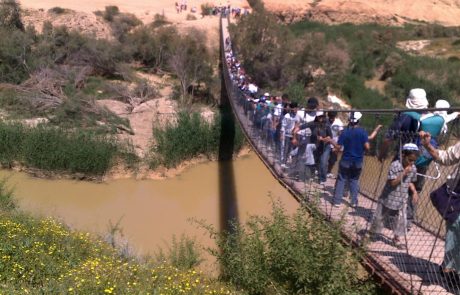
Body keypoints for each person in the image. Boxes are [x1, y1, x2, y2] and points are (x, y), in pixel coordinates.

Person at [420, 131, 460, 282]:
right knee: (455, 227)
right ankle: (450, 269)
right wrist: (428, 145)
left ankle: (451, 268)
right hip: (456, 196)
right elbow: (445, 157)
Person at [369, 143, 419, 249]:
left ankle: (396, 239)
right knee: (379, 217)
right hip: (388, 197)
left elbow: (410, 181)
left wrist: (414, 191)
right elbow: (393, 183)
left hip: (402, 198)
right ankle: (373, 234)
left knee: (401, 220)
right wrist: (404, 172)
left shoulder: (413, 167)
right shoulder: (395, 165)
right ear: (403, 155)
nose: (412, 163)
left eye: (414, 160)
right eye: (410, 160)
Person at [328, 112, 369, 208]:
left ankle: (336, 202)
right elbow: (367, 147)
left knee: (341, 179)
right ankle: (353, 201)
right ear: (359, 121)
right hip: (358, 161)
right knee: (354, 180)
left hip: (346, 159)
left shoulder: (345, 132)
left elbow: (338, 147)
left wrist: (331, 141)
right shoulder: (363, 132)